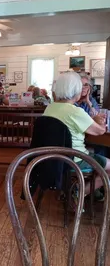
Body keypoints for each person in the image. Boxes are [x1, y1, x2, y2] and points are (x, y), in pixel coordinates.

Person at [43, 71, 108, 201]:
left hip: (52, 157)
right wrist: (99, 120)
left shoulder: (50, 108)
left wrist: (92, 118)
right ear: (76, 90)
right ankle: (78, 192)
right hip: (76, 158)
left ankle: (77, 189)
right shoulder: (75, 111)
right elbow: (100, 131)